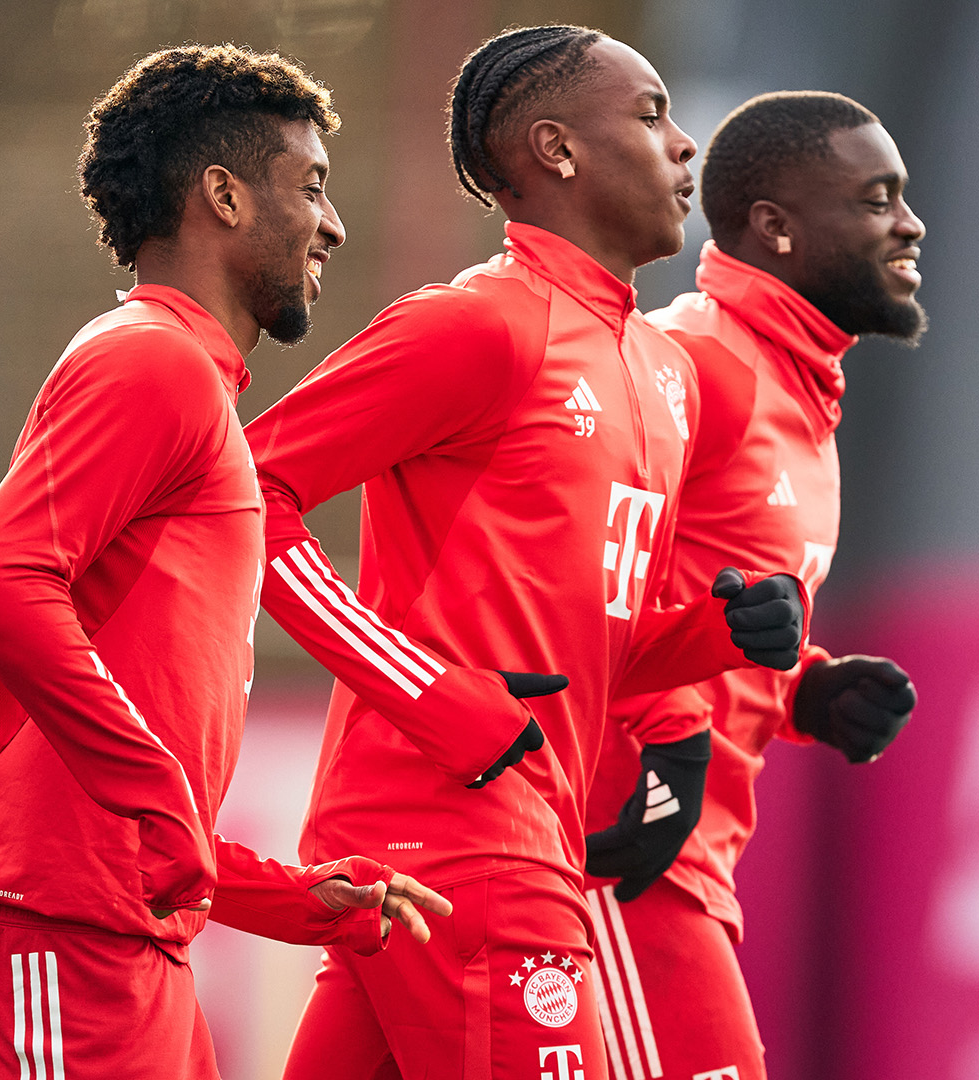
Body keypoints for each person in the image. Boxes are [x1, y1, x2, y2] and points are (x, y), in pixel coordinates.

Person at [248, 25, 808, 1080]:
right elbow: (238, 495)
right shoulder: (478, 325)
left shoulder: (665, 370)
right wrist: (429, 693)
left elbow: (576, 651)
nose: (687, 146)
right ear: (556, 151)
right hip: (463, 839)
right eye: (650, 116)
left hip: (496, 839)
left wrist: (713, 634)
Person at [0, 47, 451, 1080]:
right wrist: (157, 799)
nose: (333, 224)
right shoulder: (150, 359)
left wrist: (279, 895)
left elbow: (131, 783)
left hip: (105, 934)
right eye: (314, 187)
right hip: (45, 935)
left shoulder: (183, 377)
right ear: (225, 196)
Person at [577, 91, 925, 1080]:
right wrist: (670, 753)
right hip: (618, 847)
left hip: (685, 855)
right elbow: (574, 581)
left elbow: (688, 591)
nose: (911, 222)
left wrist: (803, 686)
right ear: (776, 227)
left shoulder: (798, 390)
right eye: (878, 198)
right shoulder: (695, 363)